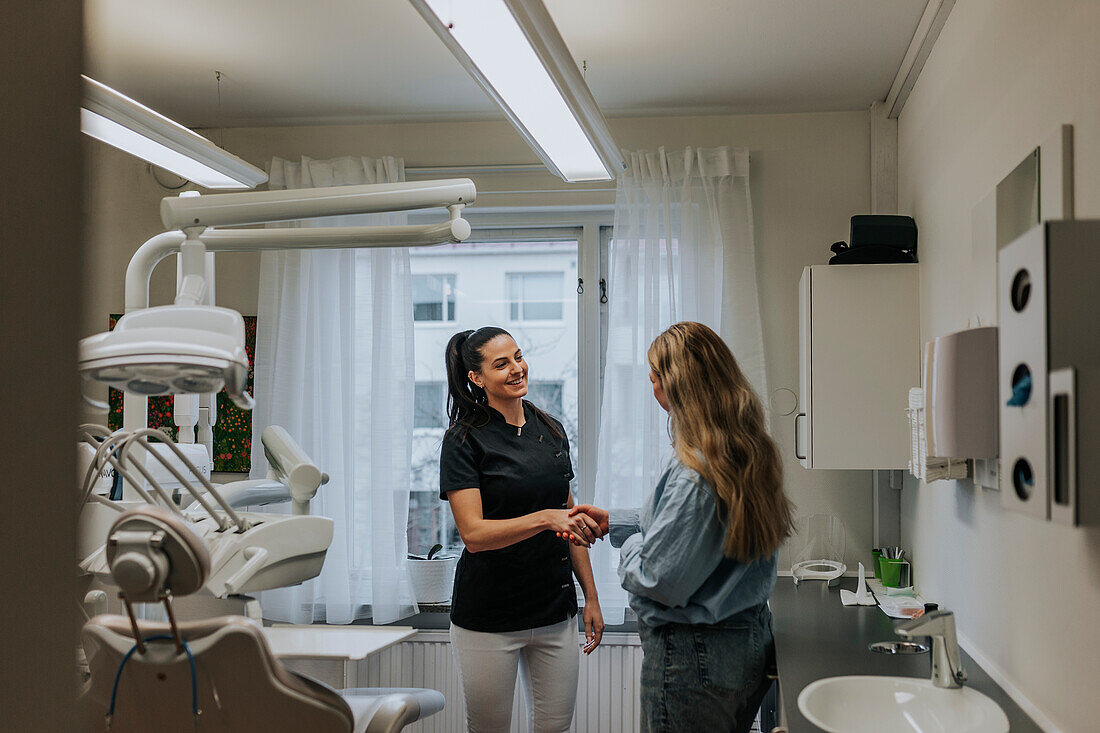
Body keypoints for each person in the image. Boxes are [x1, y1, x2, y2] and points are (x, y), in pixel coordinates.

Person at [568, 321, 794, 733]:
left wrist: (633, 542)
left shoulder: (697, 472)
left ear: (671, 387)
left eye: (653, 379)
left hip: (695, 661)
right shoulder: (744, 448)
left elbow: (658, 576)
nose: (652, 388)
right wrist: (616, 521)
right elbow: (697, 531)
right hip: (742, 646)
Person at [440, 326, 605, 733]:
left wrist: (592, 597)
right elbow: (474, 536)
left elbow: (572, 521)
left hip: (555, 612)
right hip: (488, 616)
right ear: (476, 378)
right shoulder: (463, 440)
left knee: (555, 728)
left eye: (518, 356)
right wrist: (544, 519)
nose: (517, 369)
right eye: (502, 364)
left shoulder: (550, 429)